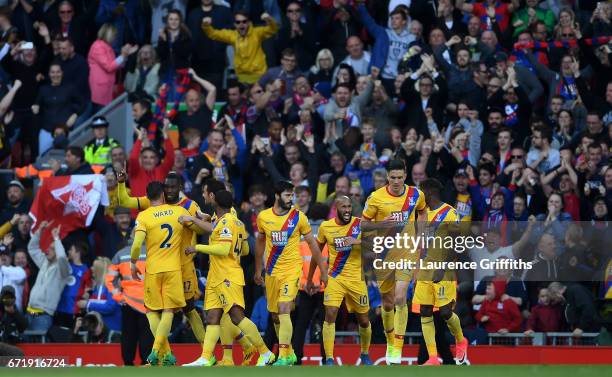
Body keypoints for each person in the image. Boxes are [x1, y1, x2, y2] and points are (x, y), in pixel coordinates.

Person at [117, 171, 209, 361]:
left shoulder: (189, 206)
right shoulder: (165, 206)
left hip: (183, 266)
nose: (168, 190)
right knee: (164, 310)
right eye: (166, 187)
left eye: (172, 187)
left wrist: (196, 222)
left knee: (189, 308)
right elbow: (125, 202)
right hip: (172, 266)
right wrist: (121, 183)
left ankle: (206, 355)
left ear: (180, 188)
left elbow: (201, 229)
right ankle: (165, 353)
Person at [183, 190, 275, 367]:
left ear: (215, 202)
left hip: (228, 276)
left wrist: (197, 248)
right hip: (218, 276)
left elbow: (224, 250)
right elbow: (246, 250)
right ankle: (206, 357)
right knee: (213, 317)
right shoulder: (236, 222)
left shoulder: (227, 222)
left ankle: (265, 352)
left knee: (237, 317)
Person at [361, 159, 427, 364]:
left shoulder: (416, 194)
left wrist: (421, 234)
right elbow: (362, 224)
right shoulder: (376, 198)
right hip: (384, 255)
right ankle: (391, 341)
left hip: (408, 252)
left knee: (400, 298)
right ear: (387, 177)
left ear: (405, 175)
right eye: (393, 177)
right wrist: (382, 224)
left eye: (400, 177)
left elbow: (423, 211)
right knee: (387, 303)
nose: (397, 181)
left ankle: (397, 347)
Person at [254, 180, 327, 365]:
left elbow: (314, 244)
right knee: (275, 315)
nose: (291, 199)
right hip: (271, 271)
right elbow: (260, 242)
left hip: (292, 270)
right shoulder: (263, 217)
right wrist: (258, 270)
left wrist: (323, 271)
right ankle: (291, 352)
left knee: (284, 308)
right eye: (287, 195)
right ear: (277, 196)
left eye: (292, 195)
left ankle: (284, 355)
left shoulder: (299, 217)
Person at [129, 181, 193, 365]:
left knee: (150, 310)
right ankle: (162, 352)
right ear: (164, 195)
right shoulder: (179, 212)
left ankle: (161, 352)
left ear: (148, 197)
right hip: (174, 269)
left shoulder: (144, 216)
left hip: (153, 270)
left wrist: (133, 264)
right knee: (168, 310)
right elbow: (195, 226)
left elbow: (136, 246)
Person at [310, 195, 372, 365]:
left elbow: (378, 244)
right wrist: (310, 278)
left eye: (349, 207)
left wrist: (357, 241)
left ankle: (365, 353)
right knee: (330, 314)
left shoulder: (359, 224)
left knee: (364, 320)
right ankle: (329, 358)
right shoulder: (325, 227)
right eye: (343, 207)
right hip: (335, 277)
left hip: (356, 279)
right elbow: (316, 254)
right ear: (335, 208)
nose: (347, 210)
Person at [413, 178, 468, 365]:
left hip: (444, 270)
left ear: (429, 192)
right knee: (425, 311)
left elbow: (456, 245)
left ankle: (460, 340)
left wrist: (441, 268)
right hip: (424, 270)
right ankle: (433, 357)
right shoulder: (422, 214)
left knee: (445, 313)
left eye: (421, 193)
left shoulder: (449, 213)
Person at [105, 231, 153, 365]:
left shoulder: (121, 254)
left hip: (128, 302)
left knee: (128, 335)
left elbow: (109, 280)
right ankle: (146, 362)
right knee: (148, 334)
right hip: (149, 302)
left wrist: (118, 296)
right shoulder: (153, 252)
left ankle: (128, 363)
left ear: (131, 237)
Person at [202, 10, 278, 84]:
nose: (241, 24)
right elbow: (214, 34)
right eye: (238, 22)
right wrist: (206, 25)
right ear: (235, 24)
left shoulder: (257, 33)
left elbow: (273, 29)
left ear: (248, 23)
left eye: (244, 21)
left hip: (259, 75)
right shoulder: (232, 35)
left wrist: (269, 19)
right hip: (242, 77)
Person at [26, 223, 71, 333]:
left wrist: (56, 239)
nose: (47, 250)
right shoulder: (44, 263)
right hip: (28, 313)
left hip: (43, 317)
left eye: (52, 249)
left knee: (38, 349)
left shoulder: (64, 270)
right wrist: (40, 230)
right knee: (24, 347)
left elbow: (61, 258)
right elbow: (32, 248)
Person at [32, 62, 83, 154]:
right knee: (43, 159)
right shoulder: (43, 89)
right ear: (49, 74)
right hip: (46, 131)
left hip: (64, 132)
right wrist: (35, 107)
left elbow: (82, 103)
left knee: (66, 160)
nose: (55, 75)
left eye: (58, 72)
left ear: (62, 73)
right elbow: (36, 104)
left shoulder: (70, 88)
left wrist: (75, 115)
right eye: (53, 72)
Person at [87, 23, 138, 110]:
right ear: (108, 34)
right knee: (100, 116)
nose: (115, 38)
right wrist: (123, 55)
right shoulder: (98, 46)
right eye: (114, 35)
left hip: (107, 88)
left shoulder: (107, 47)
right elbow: (109, 67)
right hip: (100, 89)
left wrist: (125, 55)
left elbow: (117, 66)